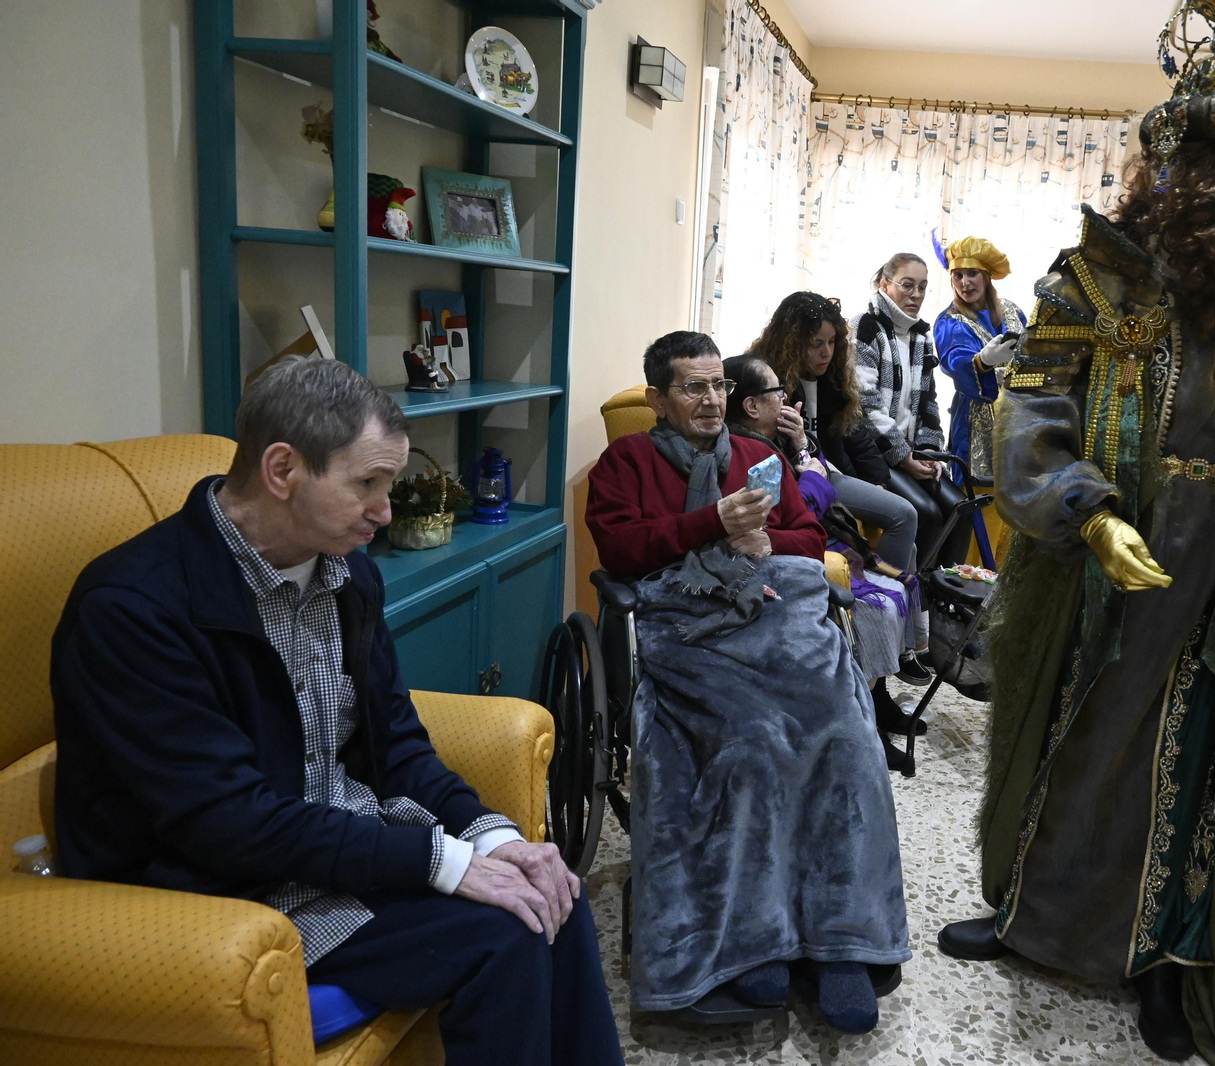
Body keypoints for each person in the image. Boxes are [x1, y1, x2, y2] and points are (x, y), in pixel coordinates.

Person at [938, 2, 1215, 1060]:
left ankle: (1175, 959)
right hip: (1100, 551)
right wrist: (1084, 512)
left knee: (1209, 748)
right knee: (1072, 722)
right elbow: (1030, 402)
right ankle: (1034, 910)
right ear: (1186, 163)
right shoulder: (1097, 274)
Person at [50, 357, 622, 1066]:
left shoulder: (348, 573)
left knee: (550, 894)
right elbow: (226, 823)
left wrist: (492, 838)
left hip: (329, 852)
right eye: (367, 484)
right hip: (221, 891)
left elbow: (397, 743)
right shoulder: (134, 609)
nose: (386, 510)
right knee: (507, 931)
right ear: (283, 470)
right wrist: (440, 861)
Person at [584, 330, 910, 1032]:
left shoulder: (760, 458)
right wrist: (709, 524)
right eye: (693, 387)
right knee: (752, 742)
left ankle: (841, 941)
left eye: (718, 386)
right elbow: (620, 549)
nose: (711, 400)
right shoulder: (626, 462)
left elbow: (807, 537)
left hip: (776, 615)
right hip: (688, 627)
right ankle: (750, 939)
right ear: (658, 399)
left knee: (847, 737)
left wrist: (764, 541)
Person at [722, 353, 930, 767]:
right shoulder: (750, 451)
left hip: (808, 538)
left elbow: (809, 490)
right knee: (876, 603)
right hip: (780, 557)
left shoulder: (774, 438)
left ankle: (879, 698)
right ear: (751, 405)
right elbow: (793, 513)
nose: (785, 399)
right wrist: (815, 476)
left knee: (899, 580)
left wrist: (802, 446)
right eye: (777, 392)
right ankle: (863, 719)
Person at [746, 290, 932, 685]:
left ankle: (900, 645)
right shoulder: (768, 382)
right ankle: (888, 638)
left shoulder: (832, 377)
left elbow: (856, 435)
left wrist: (878, 481)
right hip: (803, 477)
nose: (826, 352)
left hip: (827, 471)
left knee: (909, 530)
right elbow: (783, 458)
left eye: (832, 342)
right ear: (792, 341)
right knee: (906, 514)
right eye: (816, 343)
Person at [851, 252, 971, 566]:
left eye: (922, 287)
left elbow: (929, 401)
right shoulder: (864, 326)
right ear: (884, 284)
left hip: (912, 451)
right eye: (907, 285)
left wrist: (930, 450)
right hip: (877, 453)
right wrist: (904, 456)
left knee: (962, 509)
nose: (916, 294)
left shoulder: (921, 335)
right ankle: (915, 593)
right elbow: (865, 404)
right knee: (927, 514)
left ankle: (946, 590)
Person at [933, 236, 1028, 485]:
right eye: (958, 275)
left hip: (1019, 420)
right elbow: (955, 360)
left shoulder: (1011, 310)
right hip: (976, 423)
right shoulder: (950, 320)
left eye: (972, 273)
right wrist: (984, 361)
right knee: (981, 496)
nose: (964, 283)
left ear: (986, 276)